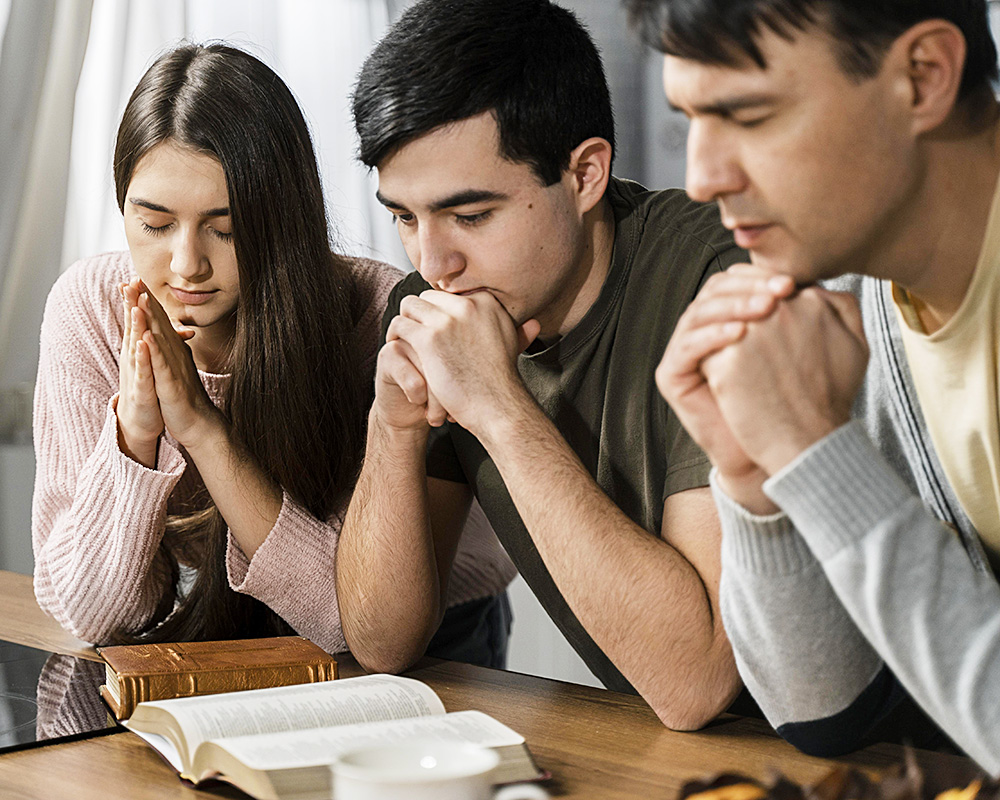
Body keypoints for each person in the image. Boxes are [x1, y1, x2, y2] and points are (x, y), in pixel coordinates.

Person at [336, 0, 752, 730]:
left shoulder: (713, 276)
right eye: (404, 216)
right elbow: (379, 643)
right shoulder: (438, 303)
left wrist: (498, 408)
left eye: (470, 216)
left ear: (586, 173)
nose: (434, 263)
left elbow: (699, 683)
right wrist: (393, 428)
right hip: (658, 758)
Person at [31, 42, 516, 667]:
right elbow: (92, 615)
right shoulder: (90, 310)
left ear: (282, 218)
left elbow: (349, 623)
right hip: (224, 632)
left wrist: (204, 430)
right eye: (153, 225)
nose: (186, 266)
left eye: (225, 229)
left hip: (436, 641)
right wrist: (136, 431)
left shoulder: (377, 315)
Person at [627, 0, 1000, 771]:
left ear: (923, 76)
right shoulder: (844, 303)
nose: (701, 177)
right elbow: (820, 709)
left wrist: (821, 455)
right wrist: (755, 481)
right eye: (690, 116)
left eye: (749, 115)